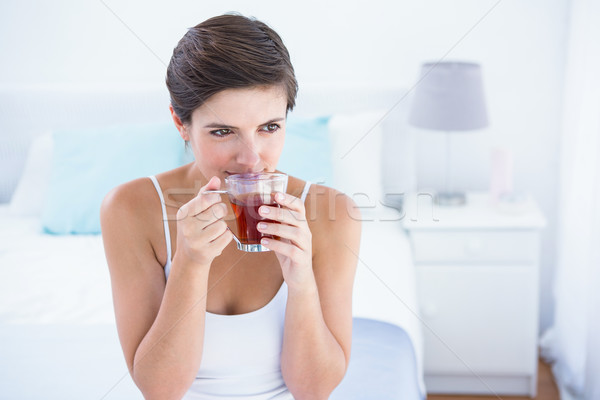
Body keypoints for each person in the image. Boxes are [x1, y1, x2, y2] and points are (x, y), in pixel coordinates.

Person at [100, 13, 361, 400]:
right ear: (180, 123)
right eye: (223, 132)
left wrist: (301, 279)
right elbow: (159, 390)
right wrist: (190, 263)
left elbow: (314, 390)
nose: (252, 159)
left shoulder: (335, 215)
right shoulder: (130, 209)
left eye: (269, 127)